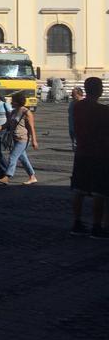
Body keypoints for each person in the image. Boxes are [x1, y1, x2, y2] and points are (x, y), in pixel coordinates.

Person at [70, 77, 109, 237]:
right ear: (99, 90)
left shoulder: (76, 107)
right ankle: (97, 226)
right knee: (100, 192)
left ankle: (77, 223)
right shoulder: (103, 111)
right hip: (100, 154)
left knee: (79, 190)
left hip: (81, 152)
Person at [0, 92, 38, 185]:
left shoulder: (26, 112)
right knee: (23, 158)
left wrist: (34, 140)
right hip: (15, 138)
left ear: (17, 102)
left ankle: (7, 177)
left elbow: (31, 127)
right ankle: (32, 177)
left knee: (13, 157)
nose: (11, 102)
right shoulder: (14, 112)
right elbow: (7, 124)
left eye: (13, 101)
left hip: (23, 139)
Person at [68, 85, 84, 151]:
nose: (71, 96)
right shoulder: (72, 103)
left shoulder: (83, 103)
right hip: (72, 126)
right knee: (74, 141)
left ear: (78, 94)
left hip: (80, 127)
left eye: (73, 94)